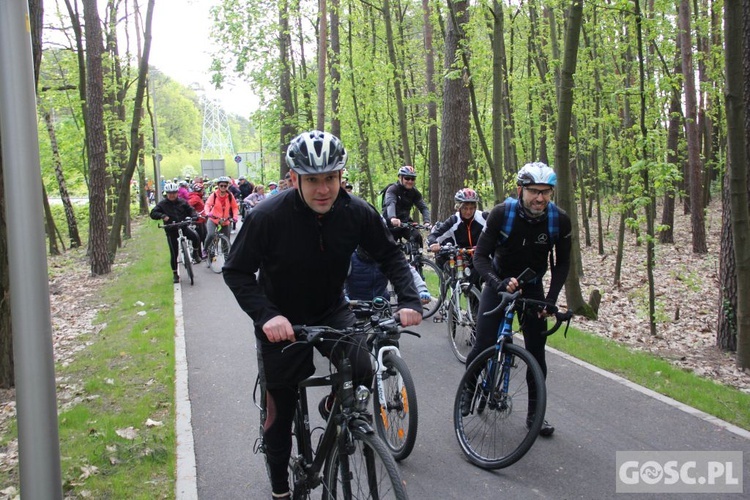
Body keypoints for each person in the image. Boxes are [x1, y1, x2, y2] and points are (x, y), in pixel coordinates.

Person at [223, 130, 422, 499]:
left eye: (330, 178)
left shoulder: (356, 211)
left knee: (365, 369)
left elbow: (391, 255)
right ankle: (281, 489)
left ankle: (337, 408)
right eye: (312, 180)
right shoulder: (268, 217)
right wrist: (266, 315)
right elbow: (236, 271)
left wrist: (410, 300)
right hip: (280, 321)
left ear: (340, 176)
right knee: (279, 416)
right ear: (294, 178)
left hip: (331, 310)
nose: (323, 189)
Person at [467, 162, 571, 437]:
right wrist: (497, 283)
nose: (540, 198)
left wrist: (550, 300)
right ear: (520, 190)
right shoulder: (503, 213)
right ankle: (468, 390)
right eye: (534, 191)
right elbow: (480, 257)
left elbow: (562, 264)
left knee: (536, 354)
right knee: (483, 344)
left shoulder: (559, 220)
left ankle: (535, 415)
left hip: (533, 287)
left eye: (546, 192)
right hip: (498, 282)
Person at [149, 182, 202, 283]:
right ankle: (175, 274)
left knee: (195, 236)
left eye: (174, 193)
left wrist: (194, 216)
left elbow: (191, 210)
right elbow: (153, 213)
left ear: (177, 193)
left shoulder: (182, 201)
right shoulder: (162, 204)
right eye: (169, 193)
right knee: (174, 252)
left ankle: (195, 253)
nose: (172, 195)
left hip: (183, 226)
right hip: (171, 229)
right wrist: (162, 216)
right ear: (166, 193)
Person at [427, 188, 488, 271]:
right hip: (462, 259)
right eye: (465, 208)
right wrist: (433, 243)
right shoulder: (453, 221)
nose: (468, 212)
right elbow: (433, 235)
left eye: (471, 208)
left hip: (482, 258)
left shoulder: (484, 217)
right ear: (458, 207)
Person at [345, 246, 431, 304]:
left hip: (382, 306)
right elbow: (335, 281)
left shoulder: (386, 256)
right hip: (353, 309)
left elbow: (407, 271)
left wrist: (422, 290)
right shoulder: (349, 257)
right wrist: (343, 298)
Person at [382, 165, 431, 249]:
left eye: (413, 179)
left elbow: (423, 207)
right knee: (388, 250)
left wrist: (427, 221)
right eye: (407, 178)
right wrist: (393, 218)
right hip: (390, 224)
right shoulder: (392, 189)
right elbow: (390, 203)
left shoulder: (414, 192)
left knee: (417, 237)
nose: (410, 181)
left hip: (405, 222)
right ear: (400, 178)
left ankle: (418, 261)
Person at [203, 176, 239, 257]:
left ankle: (227, 260)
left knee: (226, 241)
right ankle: (205, 249)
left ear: (227, 186)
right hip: (213, 219)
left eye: (225, 186)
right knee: (211, 234)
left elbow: (234, 207)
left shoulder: (230, 195)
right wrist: (208, 212)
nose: (223, 187)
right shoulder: (214, 195)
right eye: (221, 185)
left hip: (225, 221)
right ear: (218, 186)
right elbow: (207, 205)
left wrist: (235, 216)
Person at [187, 182, 208, 259]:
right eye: (202, 189)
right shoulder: (195, 197)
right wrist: (195, 212)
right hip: (197, 221)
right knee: (199, 237)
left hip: (202, 220)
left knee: (204, 236)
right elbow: (188, 205)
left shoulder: (198, 197)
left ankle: (203, 253)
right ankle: (198, 255)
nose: (203, 191)